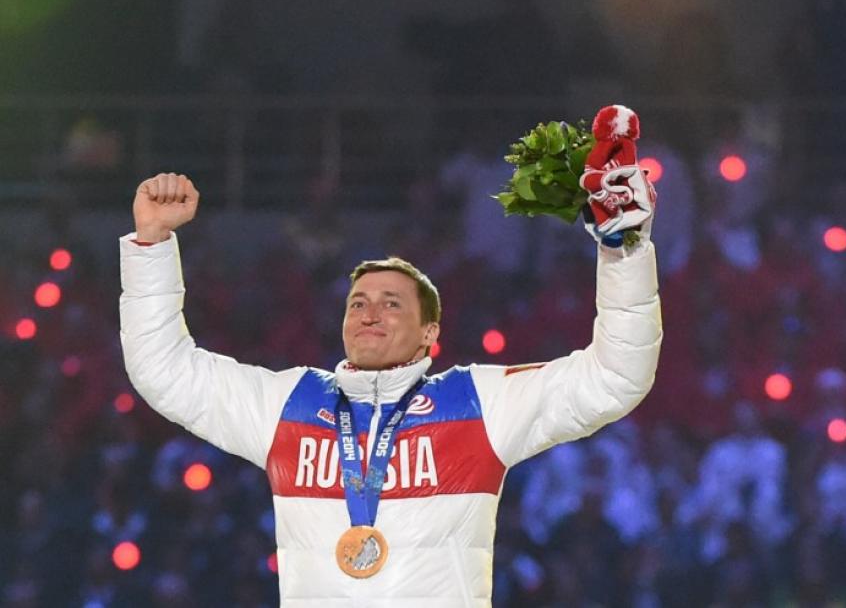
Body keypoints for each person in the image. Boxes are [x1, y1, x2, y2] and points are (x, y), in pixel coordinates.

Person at [119, 167, 662, 606]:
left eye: (391, 303)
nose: (369, 312)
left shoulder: (478, 402)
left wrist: (626, 250)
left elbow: (615, 376)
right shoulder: (289, 404)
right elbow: (165, 371)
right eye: (358, 303)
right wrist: (152, 242)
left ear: (430, 334)